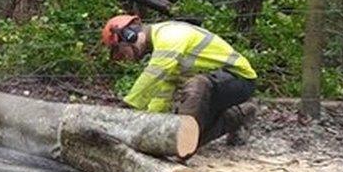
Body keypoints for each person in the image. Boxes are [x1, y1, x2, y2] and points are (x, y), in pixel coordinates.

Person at [101, 14, 258, 150]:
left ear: (129, 35)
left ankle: (184, 145)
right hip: (215, 86)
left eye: (121, 52)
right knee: (190, 138)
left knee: (196, 86)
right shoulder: (162, 48)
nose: (126, 58)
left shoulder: (169, 35)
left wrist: (127, 108)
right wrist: (148, 123)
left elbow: (154, 73)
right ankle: (239, 115)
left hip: (239, 78)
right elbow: (163, 90)